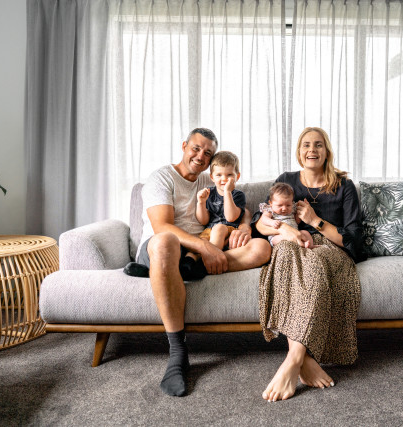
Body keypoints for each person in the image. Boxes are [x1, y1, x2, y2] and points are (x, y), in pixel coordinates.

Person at [123, 128, 272, 397]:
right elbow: (162, 227)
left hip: (200, 253)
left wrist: (245, 226)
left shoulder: (210, 177)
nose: (200, 156)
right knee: (166, 243)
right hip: (161, 247)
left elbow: (239, 205)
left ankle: (172, 272)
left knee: (261, 248)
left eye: (207, 152)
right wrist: (205, 246)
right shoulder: (162, 177)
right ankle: (178, 351)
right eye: (196, 148)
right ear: (184, 146)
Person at [254, 126, 366, 402]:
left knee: (313, 266)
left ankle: (293, 360)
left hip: (328, 247)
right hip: (290, 242)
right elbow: (261, 224)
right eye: (306, 145)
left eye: (318, 145)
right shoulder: (286, 181)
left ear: (327, 151)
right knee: (285, 254)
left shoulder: (343, 186)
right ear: (299, 151)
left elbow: (353, 240)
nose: (312, 150)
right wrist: (286, 230)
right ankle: (304, 361)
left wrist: (315, 221)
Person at [195, 151, 246, 251]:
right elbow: (203, 221)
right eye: (219, 175)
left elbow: (230, 217)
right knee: (199, 243)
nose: (224, 179)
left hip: (229, 230)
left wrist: (227, 192)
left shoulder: (238, 195)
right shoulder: (209, 193)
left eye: (229, 175)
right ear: (212, 177)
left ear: (237, 176)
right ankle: (192, 259)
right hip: (209, 230)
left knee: (219, 228)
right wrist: (201, 202)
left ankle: (213, 255)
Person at [258, 182, 315, 248]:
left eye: (288, 205)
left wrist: (300, 213)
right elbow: (264, 219)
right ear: (271, 203)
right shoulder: (270, 210)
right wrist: (271, 222)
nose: (284, 209)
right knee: (279, 239)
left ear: (292, 203)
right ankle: (302, 244)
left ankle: (311, 245)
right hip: (278, 235)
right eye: (280, 205)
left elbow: (297, 222)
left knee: (305, 233)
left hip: (295, 233)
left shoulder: (292, 210)